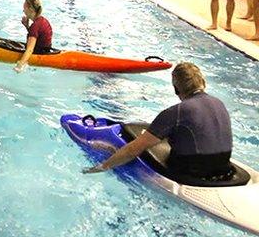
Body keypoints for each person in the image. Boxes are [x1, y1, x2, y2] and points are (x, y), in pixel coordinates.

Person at [83, 62, 233, 179]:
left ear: (176, 88)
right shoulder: (219, 103)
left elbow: (133, 150)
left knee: (113, 147)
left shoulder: (177, 112)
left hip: (192, 172)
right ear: (203, 83)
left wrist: (102, 167)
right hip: (223, 166)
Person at [15, 0, 53, 73]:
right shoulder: (42, 20)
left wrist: (20, 65)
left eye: (24, 8)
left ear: (31, 10)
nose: (23, 11)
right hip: (46, 49)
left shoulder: (35, 26)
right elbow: (37, 36)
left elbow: (30, 50)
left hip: (39, 52)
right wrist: (27, 26)